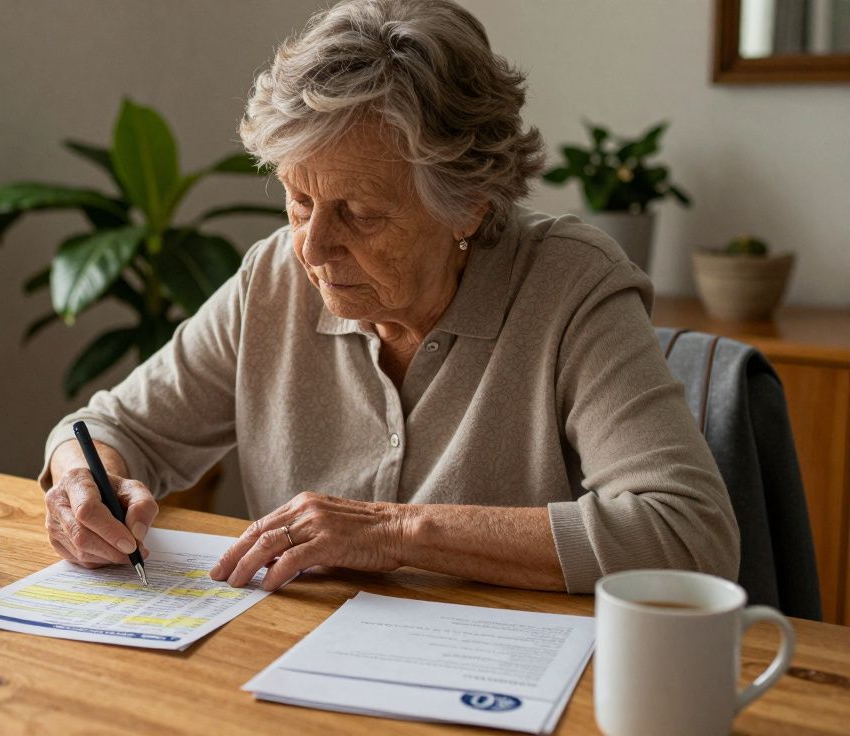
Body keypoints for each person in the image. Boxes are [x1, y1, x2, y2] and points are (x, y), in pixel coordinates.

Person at [37, 0, 740, 595]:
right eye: (299, 199)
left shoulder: (570, 285)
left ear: (469, 206)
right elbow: (107, 428)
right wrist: (83, 485)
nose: (313, 248)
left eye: (362, 214)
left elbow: (687, 534)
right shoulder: (273, 278)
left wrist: (396, 531)